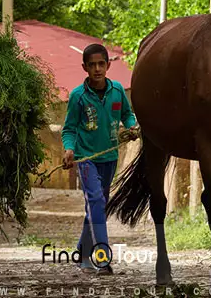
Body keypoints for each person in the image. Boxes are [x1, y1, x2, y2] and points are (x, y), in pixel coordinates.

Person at [62, 43, 137, 275]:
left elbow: (127, 114)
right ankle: (102, 258)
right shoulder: (78, 96)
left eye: (101, 64)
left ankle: (82, 253)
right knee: (95, 201)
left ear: (108, 65)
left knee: (96, 206)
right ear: (84, 67)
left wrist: (133, 126)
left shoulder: (117, 91)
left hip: (110, 157)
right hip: (86, 159)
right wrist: (69, 149)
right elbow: (69, 129)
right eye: (92, 65)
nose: (97, 69)